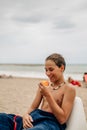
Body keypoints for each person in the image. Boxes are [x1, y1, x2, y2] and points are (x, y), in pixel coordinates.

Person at [0, 53, 76, 130]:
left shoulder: (69, 88)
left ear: (62, 68)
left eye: (51, 69)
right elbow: (33, 107)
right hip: (35, 117)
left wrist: (48, 95)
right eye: (46, 70)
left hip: (50, 123)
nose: (48, 73)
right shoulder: (45, 86)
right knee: (2, 117)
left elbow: (62, 119)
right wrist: (26, 115)